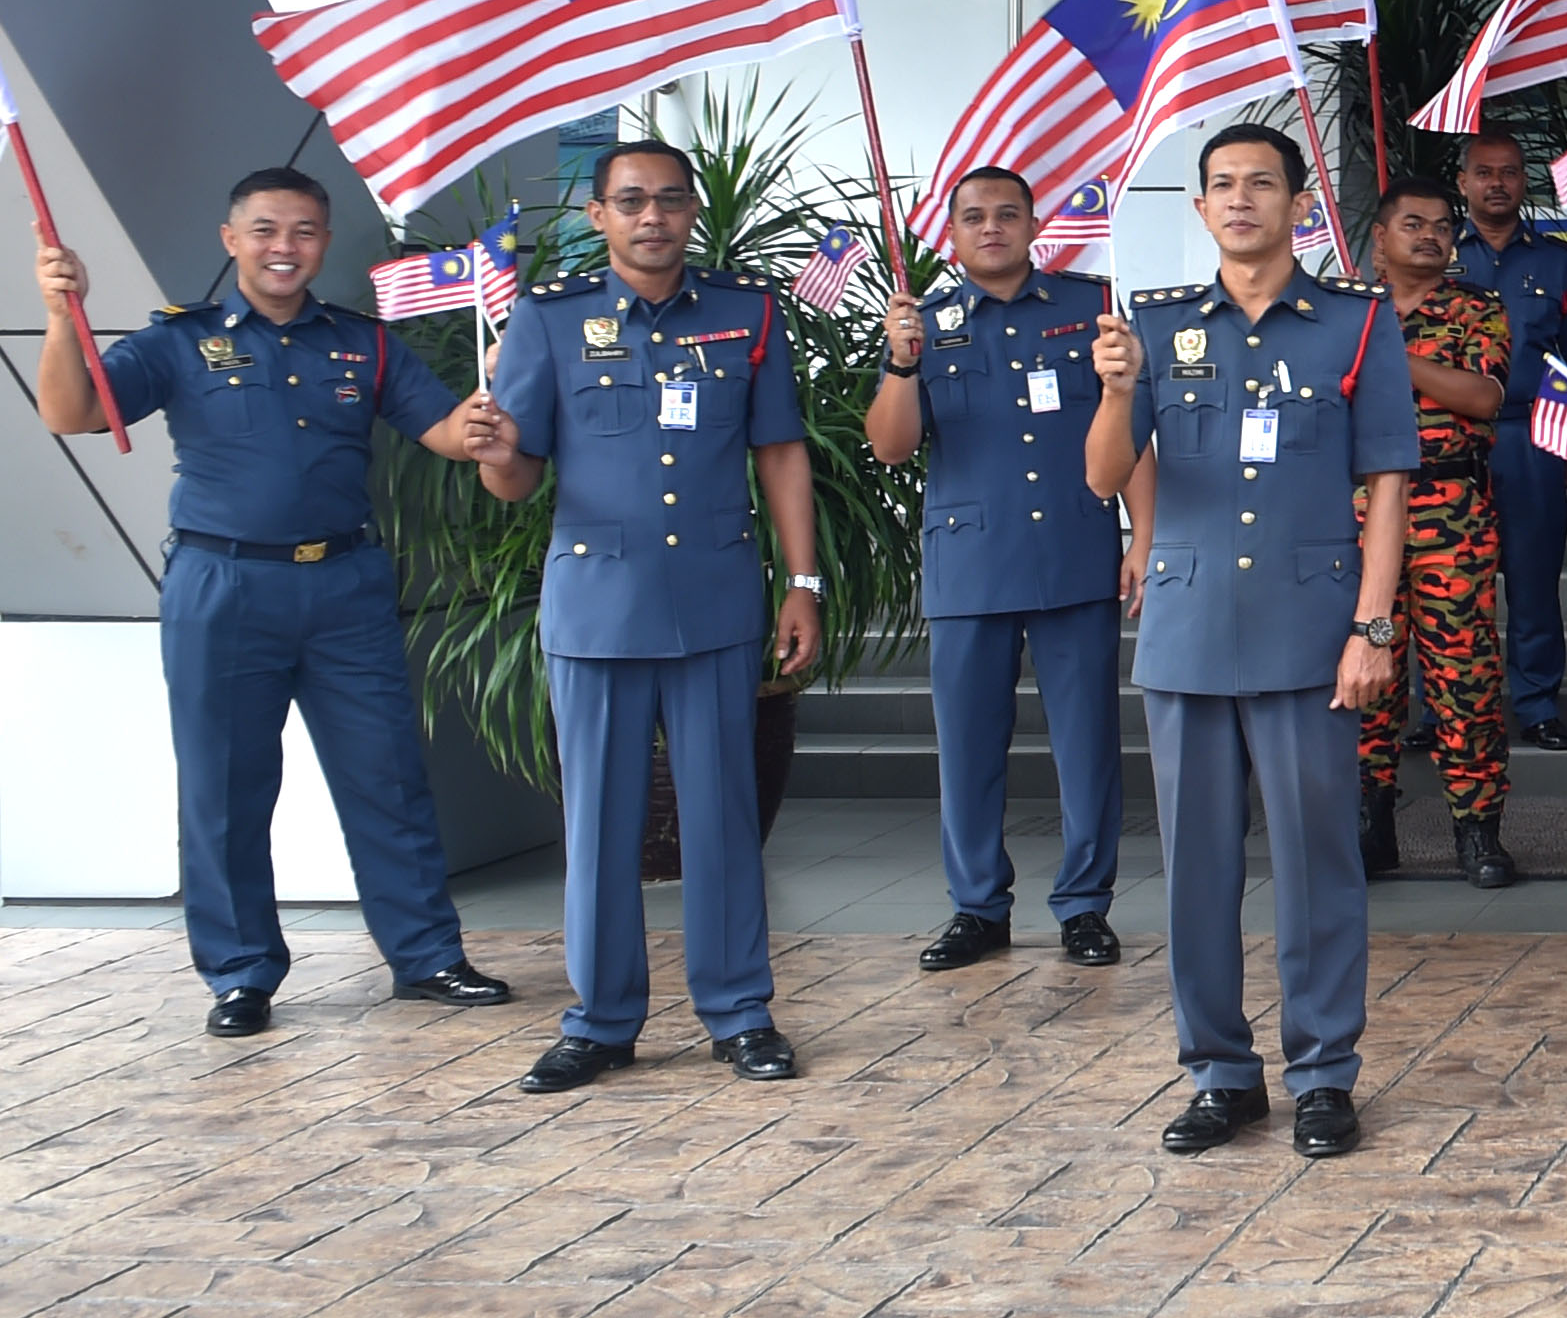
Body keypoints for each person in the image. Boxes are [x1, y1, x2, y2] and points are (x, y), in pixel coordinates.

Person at [32, 171, 517, 1036]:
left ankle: (427, 955)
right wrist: (62, 312)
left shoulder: (361, 344)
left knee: (388, 776)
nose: (283, 246)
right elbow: (70, 412)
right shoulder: (180, 342)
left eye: (303, 230)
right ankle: (241, 973)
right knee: (225, 784)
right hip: (223, 586)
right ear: (231, 239)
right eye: (264, 229)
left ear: (325, 242)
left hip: (345, 584)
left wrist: (484, 412)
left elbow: (445, 432)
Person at [1091, 124, 1414, 1159]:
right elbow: (1105, 475)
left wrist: (1373, 623)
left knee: (1319, 860)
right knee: (1195, 867)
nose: (1240, 200)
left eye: (1260, 184)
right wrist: (1110, 389)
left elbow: (1390, 484)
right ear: (1199, 209)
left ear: (1298, 206)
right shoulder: (1154, 325)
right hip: (1187, 631)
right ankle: (1220, 1072)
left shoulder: (1353, 326)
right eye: (1221, 185)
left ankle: (1323, 1072)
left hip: (1309, 630)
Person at [477, 139, 819, 1092]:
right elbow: (514, 481)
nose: (653, 217)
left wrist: (805, 582)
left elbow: (780, 451)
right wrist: (495, 447)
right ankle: (599, 1020)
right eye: (631, 201)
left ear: (692, 211)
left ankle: (740, 1010)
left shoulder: (746, 315)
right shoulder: (547, 321)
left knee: (720, 818)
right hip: (594, 610)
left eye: (670, 200)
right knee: (598, 826)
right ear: (599, 216)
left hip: (712, 604)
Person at [868, 164, 1131, 971]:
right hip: (971, 560)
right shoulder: (924, 323)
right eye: (975, 216)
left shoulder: (1091, 306)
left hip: (1072, 550)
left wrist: (1143, 537)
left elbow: (1133, 425)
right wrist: (902, 364)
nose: (992, 227)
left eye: (1008, 213)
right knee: (969, 747)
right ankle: (977, 906)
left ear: (1032, 222)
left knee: (1087, 743)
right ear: (951, 234)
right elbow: (889, 445)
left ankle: (1085, 904)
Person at [1369, 179, 1519, 888]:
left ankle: (1477, 829)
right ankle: (1371, 823)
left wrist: (1388, 357)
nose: (1428, 234)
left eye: (1439, 224)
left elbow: (1482, 397)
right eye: (1411, 222)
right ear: (1379, 238)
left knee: (1465, 679)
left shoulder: (1474, 308)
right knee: (1368, 677)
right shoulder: (1342, 312)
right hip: (1357, 521)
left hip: (1450, 516)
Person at [1455, 130, 1567, 751]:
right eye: (1485, 172)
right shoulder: (1435, 256)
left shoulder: (1558, 263)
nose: (1498, 183)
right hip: (1450, 441)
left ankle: (1538, 703)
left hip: (1532, 436)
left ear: (1526, 184)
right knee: (1446, 580)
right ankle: (1439, 712)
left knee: (1533, 578)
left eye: (1510, 172)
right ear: (1464, 182)